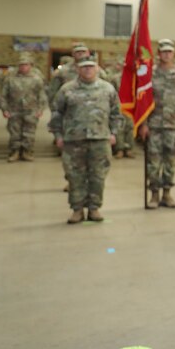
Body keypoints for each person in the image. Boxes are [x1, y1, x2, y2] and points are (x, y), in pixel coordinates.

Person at [50, 57, 121, 224]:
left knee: (98, 176)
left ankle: (94, 208)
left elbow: (116, 113)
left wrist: (114, 133)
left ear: (97, 68)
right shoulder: (67, 89)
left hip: (100, 139)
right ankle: (77, 209)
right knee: (75, 176)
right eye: (84, 67)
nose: (88, 70)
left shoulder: (107, 89)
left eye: (91, 67)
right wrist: (58, 136)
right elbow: (56, 114)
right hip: (74, 140)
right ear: (78, 69)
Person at [140, 39, 175, 209]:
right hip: (154, 124)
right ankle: (154, 194)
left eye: (169, 52)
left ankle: (167, 193)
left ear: (174, 54)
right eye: (163, 52)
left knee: (170, 160)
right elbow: (143, 101)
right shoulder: (149, 74)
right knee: (153, 161)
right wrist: (144, 124)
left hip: (174, 124)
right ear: (158, 53)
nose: (166, 54)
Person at [0, 53, 49, 162]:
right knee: (14, 133)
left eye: (26, 65)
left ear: (30, 65)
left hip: (31, 110)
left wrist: (40, 109)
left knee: (29, 133)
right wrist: (4, 109)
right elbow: (3, 95)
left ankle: (27, 152)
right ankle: (15, 152)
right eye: (21, 65)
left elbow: (42, 95)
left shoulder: (36, 79)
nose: (23, 67)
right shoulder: (10, 79)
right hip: (14, 110)